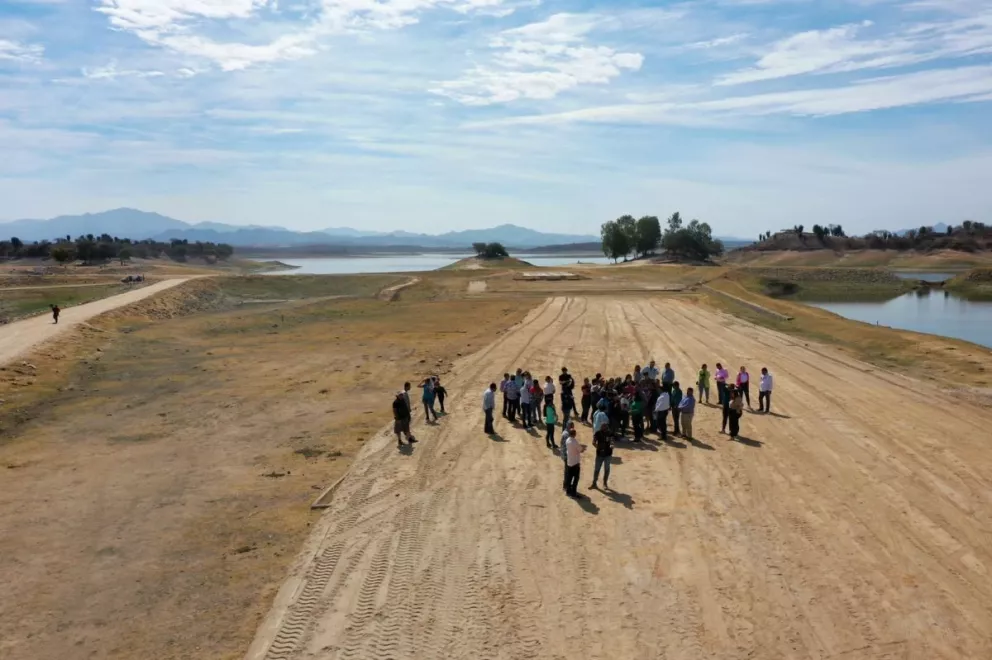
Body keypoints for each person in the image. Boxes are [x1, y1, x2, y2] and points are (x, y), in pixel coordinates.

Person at [564, 427, 584, 498]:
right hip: (575, 463)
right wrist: (583, 448)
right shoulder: (575, 442)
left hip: (569, 462)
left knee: (569, 478)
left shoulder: (567, 440)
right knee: (576, 478)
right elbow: (581, 450)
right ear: (574, 434)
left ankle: (568, 491)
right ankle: (573, 493)